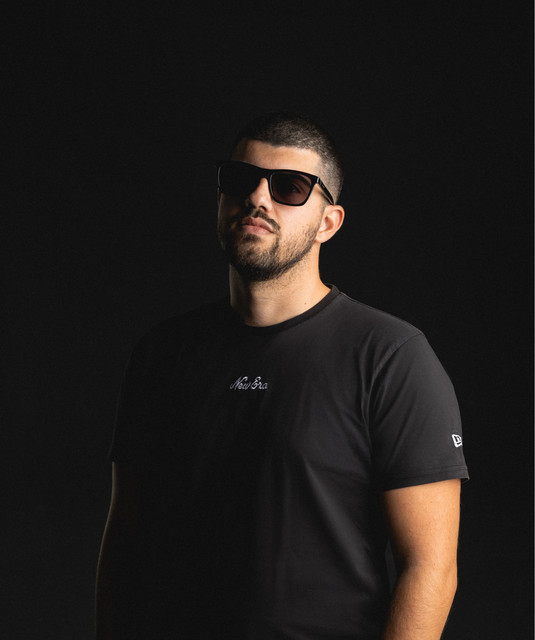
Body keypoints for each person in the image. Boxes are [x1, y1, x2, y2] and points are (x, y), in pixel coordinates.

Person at [95, 111, 469, 639]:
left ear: (328, 223)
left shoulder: (391, 357)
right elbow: (125, 546)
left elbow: (431, 567)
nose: (257, 198)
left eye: (289, 187)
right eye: (241, 179)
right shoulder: (163, 354)